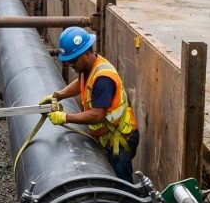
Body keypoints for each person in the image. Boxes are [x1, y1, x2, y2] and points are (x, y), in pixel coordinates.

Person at [39, 27, 139, 182]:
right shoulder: (90, 68)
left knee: (123, 187)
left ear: (86, 53)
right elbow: (81, 83)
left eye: (73, 60)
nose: (71, 64)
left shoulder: (103, 79)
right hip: (110, 136)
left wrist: (65, 117)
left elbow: (97, 115)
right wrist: (58, 95)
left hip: (120, 139)